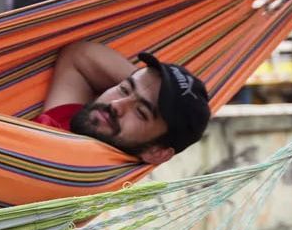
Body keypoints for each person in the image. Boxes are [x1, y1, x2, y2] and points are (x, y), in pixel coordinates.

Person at [36, 41, 213, 164]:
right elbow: (79, 55)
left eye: (141, 112)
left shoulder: (77, 180)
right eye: (124, 89)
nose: (116, 105)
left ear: (157, 152)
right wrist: (149, 89)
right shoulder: (70, 123)